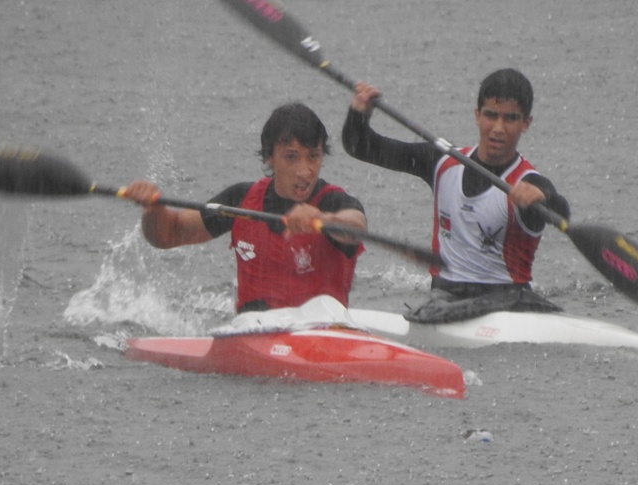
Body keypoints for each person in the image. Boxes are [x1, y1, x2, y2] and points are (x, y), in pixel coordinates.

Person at [341, 68, 569, 322]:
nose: (498, 128)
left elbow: (560, 211)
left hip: (508, 301)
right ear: (477, 115)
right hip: (445, 298)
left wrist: (541, 198)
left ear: (526, 123)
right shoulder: (442, 162)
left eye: (511, 119)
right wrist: (359, 112)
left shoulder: (528, 182)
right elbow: (358, 145)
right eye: (491, 115)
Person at [124, 103, 366, 314]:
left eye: (313, 156)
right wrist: (153, 209)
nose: (305, 171)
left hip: (321, 337)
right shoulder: (241, 200)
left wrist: (323, 218)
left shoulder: (335, 202)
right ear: (270, 157)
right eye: (291, 157)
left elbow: (356, 226)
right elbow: (169, 234)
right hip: (255, 335)